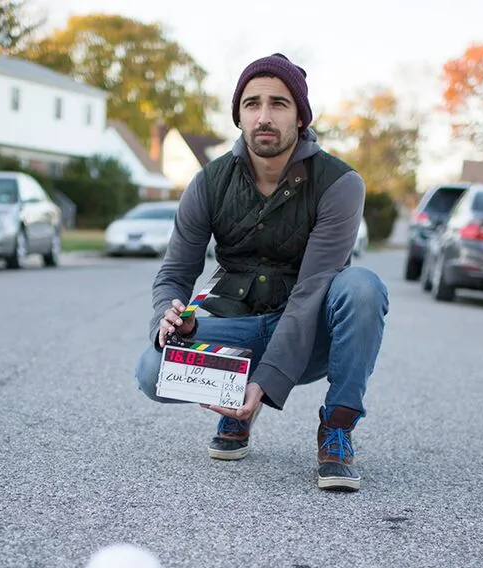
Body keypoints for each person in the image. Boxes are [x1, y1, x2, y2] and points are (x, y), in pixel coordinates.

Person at [133, 53, 389, 492]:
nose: (264, 116)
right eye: (252, 104)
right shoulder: (209, 182)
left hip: (311, 335)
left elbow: (311, 292)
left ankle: (337, 427)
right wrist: (169, 316)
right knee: (150, 372)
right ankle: (234, 407)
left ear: (301, 117)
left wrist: (267, 384)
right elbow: (175, 271)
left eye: (279, 103)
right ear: (239, 115)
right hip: (239, 324)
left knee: (362, 288)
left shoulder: (340, 183)